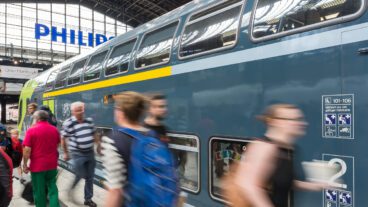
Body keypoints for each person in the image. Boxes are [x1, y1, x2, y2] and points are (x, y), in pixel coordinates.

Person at [225, 104, 325, 207]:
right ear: (277, 122)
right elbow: (247, 184)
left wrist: (316, 186)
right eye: (295, 119)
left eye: (301, 119)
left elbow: (283, 181)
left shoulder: (288, 149)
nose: (303, 123)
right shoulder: (264, 148)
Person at [102, 91, 179, 207]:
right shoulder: (152, 134)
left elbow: (115, 191)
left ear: (121, 111)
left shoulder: (114, 139)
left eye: (116, 107)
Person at [61, 101, 101, 207]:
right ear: (73, 111)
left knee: (90, 177)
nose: (80, 112)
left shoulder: (89, 121)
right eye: (77, 110)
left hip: (90, 152)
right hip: (77, 153)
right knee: (80, 174)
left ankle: (88, 199)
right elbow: (63, 139)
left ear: (84, 110)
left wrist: (99, 146)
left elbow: (95, 133)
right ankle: (70, 191)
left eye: (81, 109)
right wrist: (65, 152)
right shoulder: (68, 123)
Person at [22, 110, 60, 207]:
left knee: (39, 191)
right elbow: (57, 145)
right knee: (52, 189)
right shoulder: (55, 129)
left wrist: (25, 164)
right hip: (52, 165)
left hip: (37, 167)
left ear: (37, 119)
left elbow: (27, 150)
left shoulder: (31, 130)